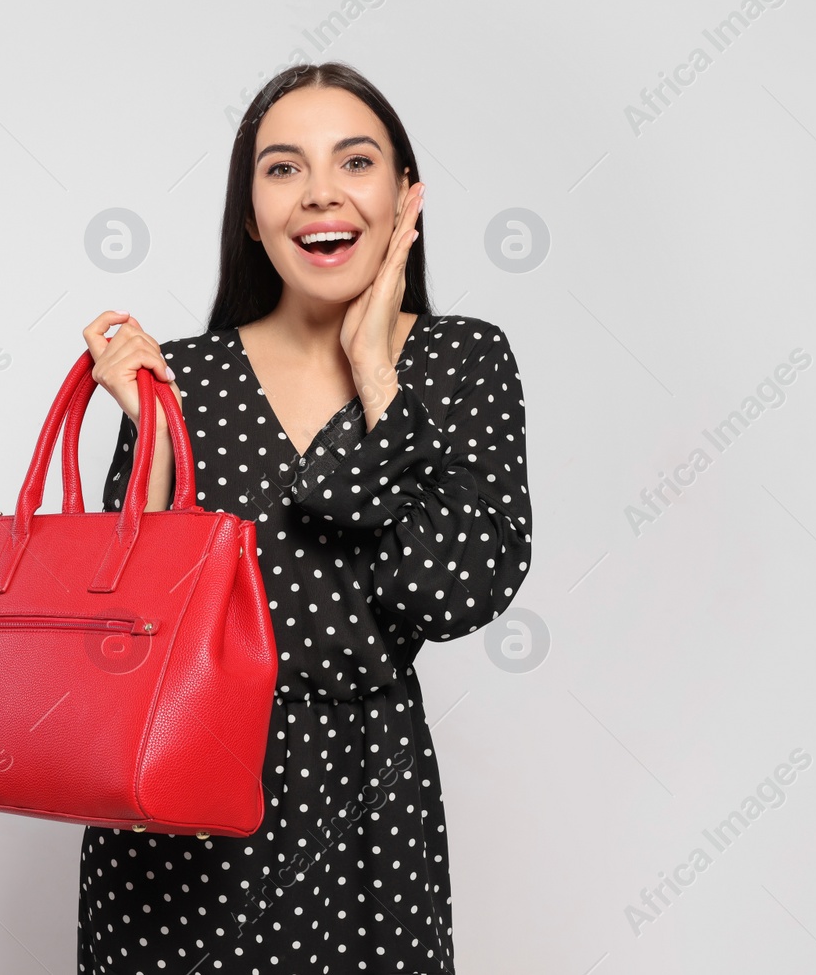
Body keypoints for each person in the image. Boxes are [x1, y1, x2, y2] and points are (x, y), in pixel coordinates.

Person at [78, 62, 532, 973]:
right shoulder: (182, 378)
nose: (320, 193)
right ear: (250, 214)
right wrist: (158, 443)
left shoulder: (462, 361)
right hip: (178, 812)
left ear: (407, 196)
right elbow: (126, 630)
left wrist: (376, 378)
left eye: (354, 161)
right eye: (282, 168)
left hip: (368, 806)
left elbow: (453, 593)